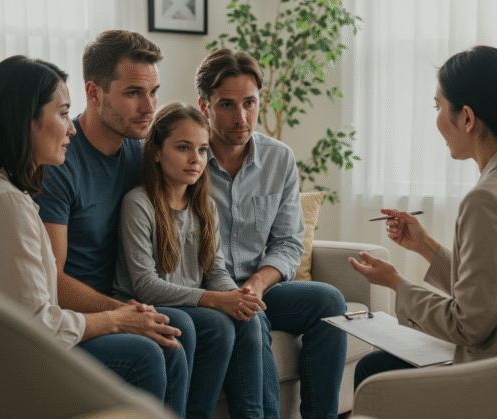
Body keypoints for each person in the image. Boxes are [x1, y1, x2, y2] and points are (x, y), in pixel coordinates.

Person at [0, 55, 189, 411]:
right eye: (62, 113)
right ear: (26, 121)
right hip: (3, 363)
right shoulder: (2, 203)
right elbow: (37, 326)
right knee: (146, 353)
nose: (71, 128)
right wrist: (116, 318)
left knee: (165, 338)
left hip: (6, 347)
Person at [349, 45, 497, 388]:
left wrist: (396, 283)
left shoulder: (487, 199)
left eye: (438, 106)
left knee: (373, 371)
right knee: (380, 364)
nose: (437, 118)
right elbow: (492, 289)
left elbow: (468, 325)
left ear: (467, 118)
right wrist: (425, 245)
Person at [31, 30, 196, 418]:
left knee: (186, 327)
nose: (149, 107)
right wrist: (124, 313)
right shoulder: (59, 163)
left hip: (126, 294)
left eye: (153, 92)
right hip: (77, 320)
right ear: (94, 93)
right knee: (161, 339)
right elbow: (52, 280)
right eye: (134, 93)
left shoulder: (139, 153)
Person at [195, 49, 348, 419]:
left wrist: (258, 284)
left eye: (249, 103)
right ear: (204, 106)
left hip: (261, 286)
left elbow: (288, 241)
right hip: (209, 290)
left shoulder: (279, 158)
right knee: (250, 317)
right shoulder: (187, 158)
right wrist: (233, 295)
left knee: (329, 302)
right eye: (227, 105)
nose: (241, 117)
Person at [113, 102, 270, 419]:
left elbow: (215, 271)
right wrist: (216, 300)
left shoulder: (205, 206)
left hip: (188, 303)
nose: (195, 159)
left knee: (248, 318)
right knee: (217, 325)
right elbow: (145, 286)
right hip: (144, 302)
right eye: (183, 148)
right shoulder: (138, 203)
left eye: (202, 149)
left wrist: (236, 296)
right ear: (156, 152)